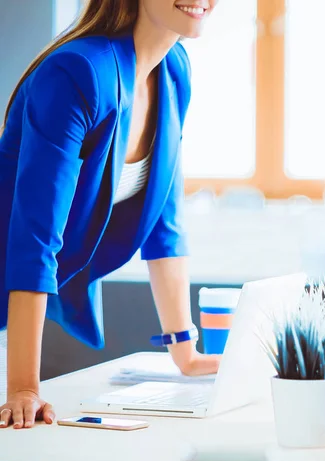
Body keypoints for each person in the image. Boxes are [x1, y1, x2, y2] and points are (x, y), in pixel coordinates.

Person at [0, 0, 220, 430]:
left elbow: (164, 220)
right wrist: (24, 387)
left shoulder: (173, 70)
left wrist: (185, 352)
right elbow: (34, 237)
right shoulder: (76, 74)